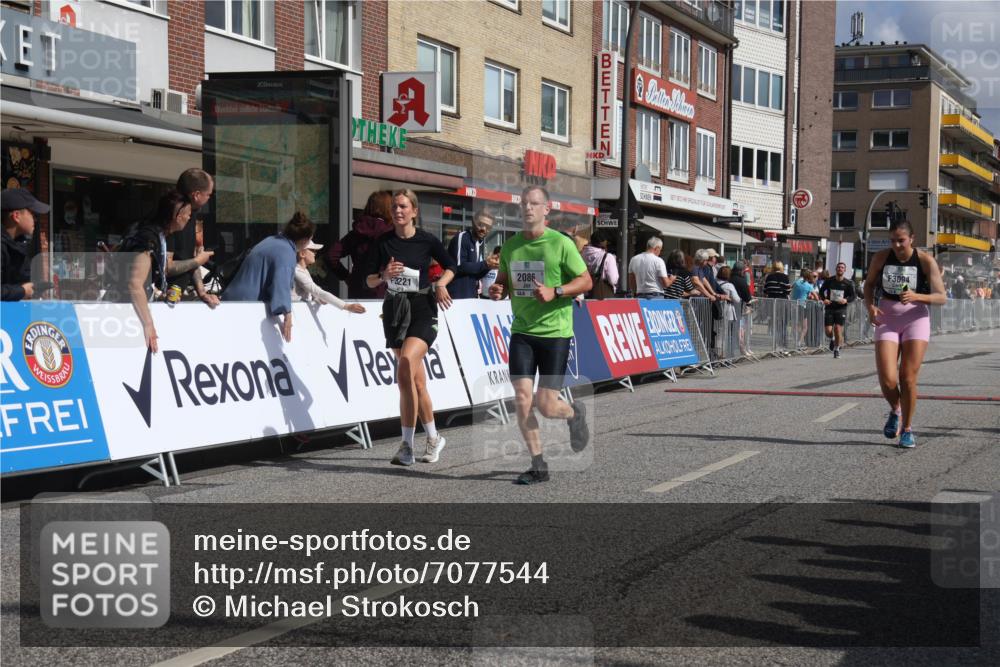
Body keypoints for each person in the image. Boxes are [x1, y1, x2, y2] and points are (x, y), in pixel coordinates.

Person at [489, 185, 591, 485]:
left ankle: (573, 414)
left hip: (555, 333)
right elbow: (504, 281)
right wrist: (499, 289)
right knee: (522, 399)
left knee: (546, 406)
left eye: (534, 204)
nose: (528, 208)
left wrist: (556, 291)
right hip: (522, 331)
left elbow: (585, 281)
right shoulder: (510, 246)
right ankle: (538, 465)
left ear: (547, 209)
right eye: (524, 204)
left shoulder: (560, 244)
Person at [365, 189, 456, 466]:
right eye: (394, 207)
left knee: (405, 361)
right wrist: (383, 275)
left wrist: (440, 283)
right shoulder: (383, 242)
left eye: (403, 207)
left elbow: (452, 266)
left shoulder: (427, 240)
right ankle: (433, 437)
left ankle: (406, 445)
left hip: (422, 310)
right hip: (394, 311)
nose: (398, 211)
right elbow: (368, 280)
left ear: (414, 211)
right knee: (415, 381)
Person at [863, 219, 947, 449]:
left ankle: (907, 430)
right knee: (888, 379)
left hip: (915, 319)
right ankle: (896, 410)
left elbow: (941, 296)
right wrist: (870, 306)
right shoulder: (880, 258)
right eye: (893, 241)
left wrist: (918, 296)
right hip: (887, 317)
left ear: (912, 239)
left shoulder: (924, 260)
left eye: (901, 240)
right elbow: (868, 285)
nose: (897, 245)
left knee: (907, 378)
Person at [113, 190, 192, 352]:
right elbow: (134, 284)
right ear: (178, 217)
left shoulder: (155, 233)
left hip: (126, 309)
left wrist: (159, 293)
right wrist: (149, 325)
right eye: (188, 214)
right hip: (125, 316)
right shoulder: (149, 238)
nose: (189, 218)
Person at [222, 212, 316, 344]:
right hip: (245, 306)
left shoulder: (273, 240)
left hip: (233, 299)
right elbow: (280, 284)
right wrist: (287, 313)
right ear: (305, 240)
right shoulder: (286, 252)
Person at [328, 190, 394, 298]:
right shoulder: (390, 233)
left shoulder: (357, 232)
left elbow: (331, 256)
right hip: (382, 289)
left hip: (357, 289)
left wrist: (347, 277)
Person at [169, 168, 218, 307]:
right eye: (209, 194)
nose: (209, 198)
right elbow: (166, 266)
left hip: (175, 297)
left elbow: (190, 257)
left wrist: (202, 292)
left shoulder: (191, 215)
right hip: (162, 299)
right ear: (196, 195)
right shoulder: (172, 219)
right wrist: (197, 260)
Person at [292, 239, 366, 313]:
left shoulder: (304, 270)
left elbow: (311, 293)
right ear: (302, 254)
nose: (315, 253)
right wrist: (347, 306)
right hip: (295, 312)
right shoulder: (297, 271)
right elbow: (317, 291)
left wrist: (317, 299)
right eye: (312, 250)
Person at [2, 188, 49, 302]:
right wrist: (22, 291)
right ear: (16, 216)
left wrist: (35, 288)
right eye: (33, 214)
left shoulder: (19, 244)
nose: (36, 220)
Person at [446, 208, 499, 299]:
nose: (483, 229)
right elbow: (459, 266)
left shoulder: (479, 243)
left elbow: (475, 274)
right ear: (473, 222)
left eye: (488, 227)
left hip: (471, 297)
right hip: (456, 297)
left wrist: (489, 266)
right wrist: (485, 263)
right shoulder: (462, 237)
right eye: (480, 224)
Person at [820, 261, 856, 358]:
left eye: (842, 268)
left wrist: (846, 300)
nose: (840, 269)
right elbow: (821, 291)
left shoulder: (848, 283)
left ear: (844, 270)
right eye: (838, 267)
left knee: (838, 328)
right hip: (830, 307)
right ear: (836, 269)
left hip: (841, 309)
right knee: (828, 331)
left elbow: (853, 296)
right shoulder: (829, 280)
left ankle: (836, 349)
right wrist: (824, 299)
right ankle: (832, 338)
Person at [581, 230, 618, 299]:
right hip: (602, 293)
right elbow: (613, 279)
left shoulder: (582, 254)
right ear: (603, 242)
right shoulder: (608, 257)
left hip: (585, 292)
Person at [791, 268, 820, 347]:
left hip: (793, 305)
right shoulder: (808, 286)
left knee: (795, 325)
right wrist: (810, 297)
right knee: (804, 327)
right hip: (802, 306)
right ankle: (799, 342)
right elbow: (817, 298)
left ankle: (795, 341)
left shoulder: (796, 282)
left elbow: (790, 288)